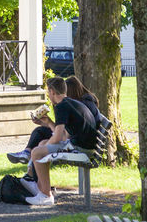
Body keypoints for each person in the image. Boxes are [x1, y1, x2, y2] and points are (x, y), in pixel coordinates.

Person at [21, 76, 99, 206]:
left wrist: (42, 151)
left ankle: (45, 196)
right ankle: (41, 189)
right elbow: (63, 136)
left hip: (80, 149)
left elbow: (58, 138)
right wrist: (48, 123)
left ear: (52, 91)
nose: (48, 95)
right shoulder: (70, 103)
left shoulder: (61, 106)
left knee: (36, 152)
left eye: (48, 92)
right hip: (84, 146)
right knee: (41, 145)